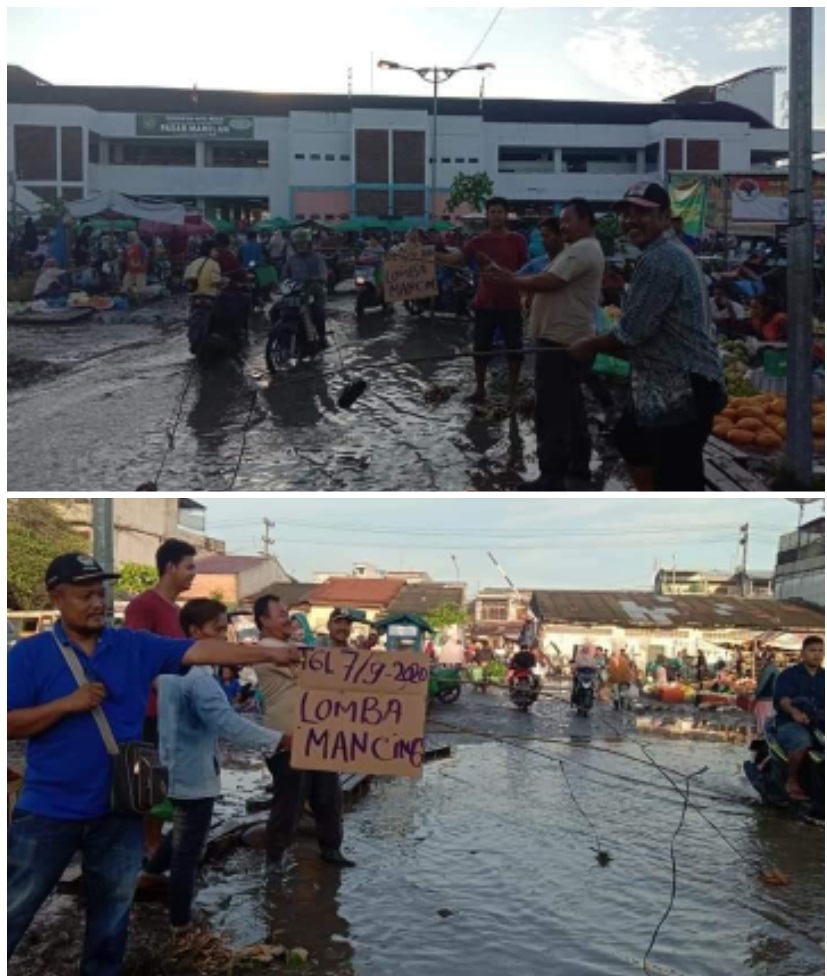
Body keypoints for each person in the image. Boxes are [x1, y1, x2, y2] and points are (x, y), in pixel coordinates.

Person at [7, 553, 301, 975]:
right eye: (85, 595)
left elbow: (199, 648)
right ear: (57, 597)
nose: (98, 603)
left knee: (112, 918)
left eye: (101, 593)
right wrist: (65, 705)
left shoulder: (133, 646)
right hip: (49, 810)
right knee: (14, 908)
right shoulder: (29, 655)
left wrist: (271, 654)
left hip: (120, 810)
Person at [141, 600, 288, 946]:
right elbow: (230, 725)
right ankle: (181, 924)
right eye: (217, 630)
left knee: (179, 833)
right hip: (195, 777)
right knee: (187, 852)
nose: (224, 637)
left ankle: (148, 874)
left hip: (172, 767)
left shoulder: (170, 673)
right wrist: (280, 740)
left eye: (225, 629)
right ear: (195, 632)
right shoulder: (200, 679)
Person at [569, 182, 727, 492]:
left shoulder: (660, 259)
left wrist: (589, 345)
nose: (630, 220)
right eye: (626, 213)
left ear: (666, 217)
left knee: (678, 481)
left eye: (642, 212)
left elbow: (632, 333)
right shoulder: (666, 252)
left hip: (683, 387)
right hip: (666, 384)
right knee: (630, 438)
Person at [487, 199, 604, 489]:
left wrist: (510, 280)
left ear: (586, 221)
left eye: (567, 220)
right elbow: (545, 279)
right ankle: (577, 468)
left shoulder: (583, 249)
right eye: (560, 221)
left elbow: (550, 282)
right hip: (565, 340)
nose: (562, 226)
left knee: (551, 412)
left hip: (560, 343)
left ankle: (551, 477)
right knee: (572, 409)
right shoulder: (576, 249)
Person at [254, 598, 355, 869]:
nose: (288, 619)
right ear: (263, 620)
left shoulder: (295, 648)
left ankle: (331, 848)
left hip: (317, 737)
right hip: (287, 739)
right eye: (281, 614)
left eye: (288, 613)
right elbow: (315, 671)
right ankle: (275, 857)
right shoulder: (265, 651)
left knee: (328, 796)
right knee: (289, 802)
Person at [125, 539, 197, 859]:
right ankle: (147, 848)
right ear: (170, 567)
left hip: (171, 711)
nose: (193, 573)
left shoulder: (176, 612)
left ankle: (154, 845)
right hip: (149, 711)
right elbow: (136, 658)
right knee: (148, 781)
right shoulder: (143, 606)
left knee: (165, 779)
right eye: (189, 566)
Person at [436, 196, 529, 407]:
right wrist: (434, 256)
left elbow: (526, 270)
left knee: (515, 351)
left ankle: (512, 395)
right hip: (485, 303)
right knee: (480, 350)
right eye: (492, 212)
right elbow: (456, 259)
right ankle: (480, 389)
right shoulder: (479, 241)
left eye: (499, 212)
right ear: (487, 215)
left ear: (506, 215)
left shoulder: (517, 240)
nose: (496, 216)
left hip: (511, 303)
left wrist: (526, 295)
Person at [772, 635, 825, 801]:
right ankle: (792, 780)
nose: (817, 654)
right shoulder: (789, 675)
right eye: (812, 650)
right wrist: (794, 712)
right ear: (803, 653)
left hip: (819, 723)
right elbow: (783, 699)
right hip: (791, 722)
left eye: (820, 651)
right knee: (802, 741)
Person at [283, 228, 329, 348]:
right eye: (298, 244)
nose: (301, 247)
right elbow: (284, 275)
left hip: (314, 291)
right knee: (277, 309)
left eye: (303, 244)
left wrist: (318, 279)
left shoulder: (317, 258)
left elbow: (323, 273)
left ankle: (322, 336)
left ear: (309, 244)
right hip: (296, 292)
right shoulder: (291, 259)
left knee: (318, 312)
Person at [752, 650, 779, 737]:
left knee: (763, 725)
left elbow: (761, 685)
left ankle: (762, 740)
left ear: (766, 659)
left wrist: (755, 696)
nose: (760, 661)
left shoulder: (768, 669)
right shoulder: (775, 668)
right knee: (769, 723)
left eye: (762, 659)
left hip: (764, 700)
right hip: (771, 700)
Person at [122, 230, 149, 296]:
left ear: (135, 236)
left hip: (140, 270)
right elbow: (125, 256)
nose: (128, 238)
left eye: (130, 236)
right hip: (130, 270)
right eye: (128, 237)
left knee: (140, 289)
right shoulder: (128, 246)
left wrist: (143, 265)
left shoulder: (141, 245)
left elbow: (145, 256)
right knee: (125, 285)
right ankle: (131, 297)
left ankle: (140, 299)